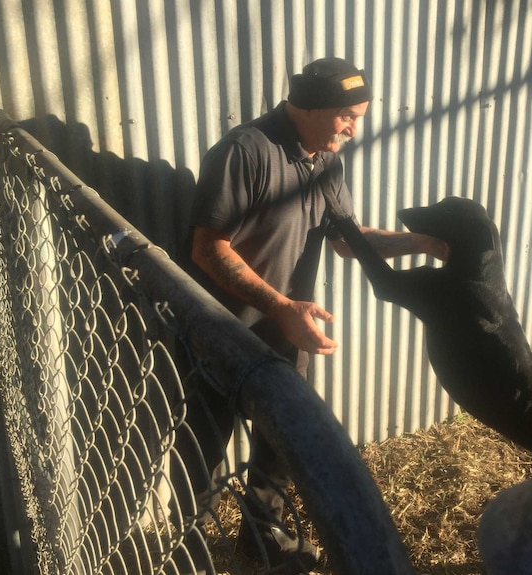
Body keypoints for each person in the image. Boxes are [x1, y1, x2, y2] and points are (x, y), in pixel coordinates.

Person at [188, 57, 447, 570]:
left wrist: (424, 241)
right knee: (204, 449)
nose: (355, 128)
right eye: (347, 115)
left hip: (286, 330)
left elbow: (348, 243)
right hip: (222, 332)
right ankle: (191, 551)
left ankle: (259, 540)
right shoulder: (246, 151)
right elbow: (207, 248)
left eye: (361, 115)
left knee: (278, 441)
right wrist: (280, 305)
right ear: (305, 106)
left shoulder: (326, 160)